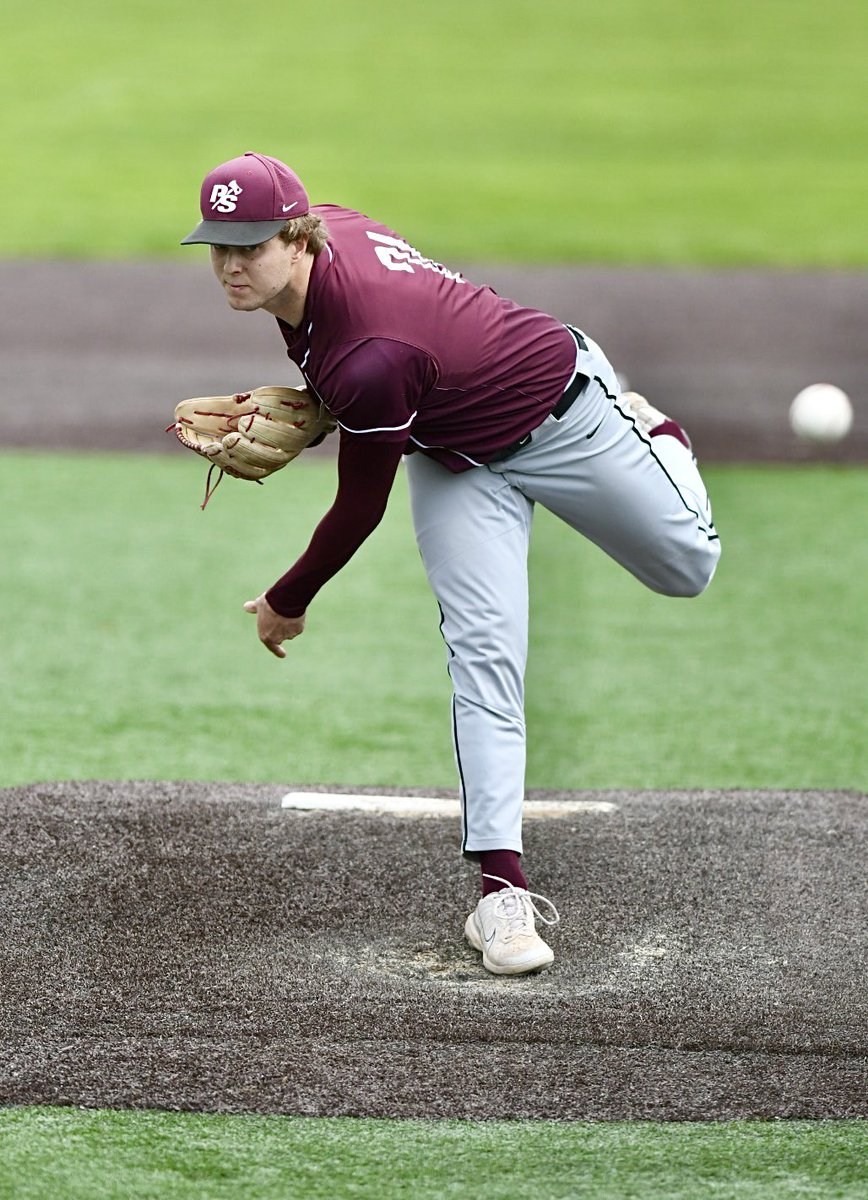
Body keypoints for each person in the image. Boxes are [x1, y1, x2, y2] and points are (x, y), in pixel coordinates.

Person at [181, 151, 721, 976]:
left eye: (249, 247)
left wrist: (288, 599)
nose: (230, 265)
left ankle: (658, 436)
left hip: (561, 414)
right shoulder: (324, 252)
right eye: (219, 246)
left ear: (297, 238)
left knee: (687, 566)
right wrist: (340, 407)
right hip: (455, 458)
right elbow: (396, 357)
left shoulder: (369, 353)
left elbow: (358, 507)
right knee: (484, 654)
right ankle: (500, 896)